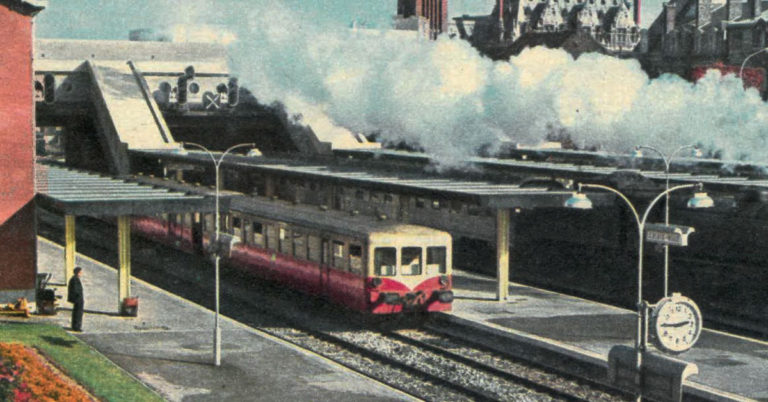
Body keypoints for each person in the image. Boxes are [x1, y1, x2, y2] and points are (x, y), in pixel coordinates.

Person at [67, 267, 84, 332]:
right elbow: (76, 290)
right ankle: (77, 327)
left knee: (76, 313)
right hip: (78, 299)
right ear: (78, 272)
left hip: (77, 299)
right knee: (78, 313)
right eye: (80, 272)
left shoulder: (74, 279)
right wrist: (78, 296)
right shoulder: (75, 279)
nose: (81, 273)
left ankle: (75, 326)